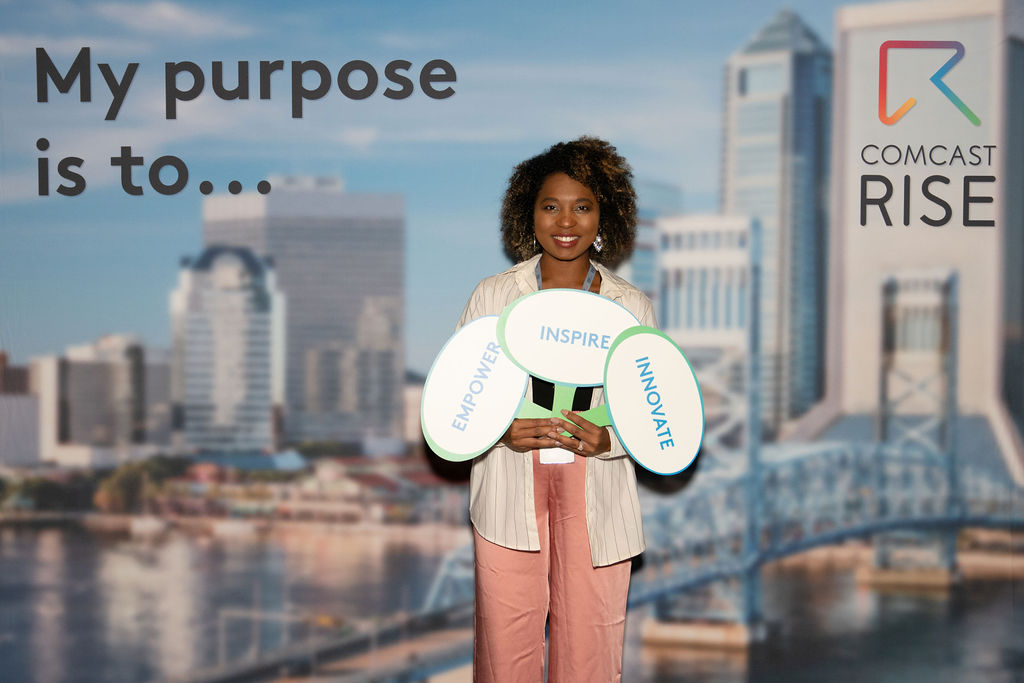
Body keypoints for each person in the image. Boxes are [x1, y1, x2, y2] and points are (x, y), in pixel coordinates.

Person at [455, 136, 656, 682]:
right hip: (506, 495)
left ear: (604, 215)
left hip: (600, 496)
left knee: (591, 653)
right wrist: (502, 433)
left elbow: (657, 416)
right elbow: (454, 407)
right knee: (504, 655)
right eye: (551, 205)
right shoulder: (492, 297)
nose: (566, 220)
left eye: (582, 206)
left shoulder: (631, 306)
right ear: (530, 214)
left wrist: (608, 441)